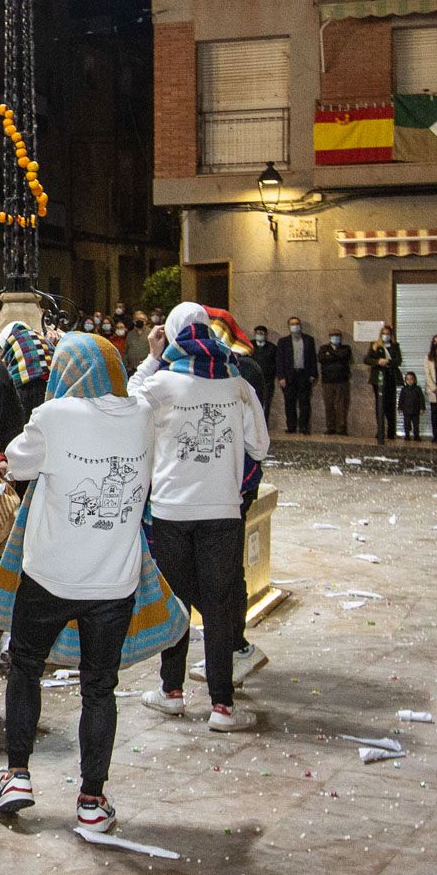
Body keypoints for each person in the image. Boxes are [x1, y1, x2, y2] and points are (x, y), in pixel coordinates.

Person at [0, 334, 154, 833]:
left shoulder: (55, 416)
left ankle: (17, 775)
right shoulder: (142, 416)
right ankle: (92, 800)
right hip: (113, 583)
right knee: (100, 689)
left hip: (49, 577)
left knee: (26, 668)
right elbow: (145, 386)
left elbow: (15, 464)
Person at [134, 302, 270, 732]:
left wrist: (154, 357)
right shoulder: (236, 382)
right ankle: (222, 706)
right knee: (217, 604)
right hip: (223, 511)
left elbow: (127, 405)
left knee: (176, 601)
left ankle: (171, 692)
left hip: (172, 510)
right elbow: (260, 446)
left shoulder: (163, 383)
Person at [366, 327, 402, 443]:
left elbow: (398, 361)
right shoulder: (375, 345)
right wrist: (377, 362)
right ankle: (380, 429)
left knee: (390, 404)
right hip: (378, 378)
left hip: (390, 377)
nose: (385, 336)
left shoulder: (395, 346)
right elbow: (367, 359)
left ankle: (391, 430)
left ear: (391, 335)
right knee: (379, 404)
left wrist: (388, 362)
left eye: (387, 334)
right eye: (383, 334)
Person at [317, 326, 353, 435]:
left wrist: (331, 355)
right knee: (329, 405)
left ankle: (341, 428)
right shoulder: (324, 348)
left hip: (341, 380)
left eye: (337, 336)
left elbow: (344, 356)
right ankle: (330, 427)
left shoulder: (346, 348)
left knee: (341, 405)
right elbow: (322, 359)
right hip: (327, 381)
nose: (335, 338)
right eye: (333, 336)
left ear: (340, 337)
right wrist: (335, 356)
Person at [249, 324, 278, 425]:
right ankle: (251, 425)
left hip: (267, 381)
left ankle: (263, 425)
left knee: (265, 404)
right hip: (251, 380)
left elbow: (276, 363)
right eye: (258, 333)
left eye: (262, 333)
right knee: (251, 403)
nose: (260, 335)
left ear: (266, 335)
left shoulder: (272, 348)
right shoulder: (249, 346)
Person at [400, 371, 426, 441]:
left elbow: (421, 399)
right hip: (406, 411)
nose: (409, 381)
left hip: (415, 411)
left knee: (416, 424)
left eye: (411, 379)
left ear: (414, 380)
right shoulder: (404, 389)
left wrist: (422, 408)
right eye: (407, 379)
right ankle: (407, 435)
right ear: (405, 380)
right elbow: (401, 399)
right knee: (406, 424)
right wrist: (400, 407)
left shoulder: (417, 389)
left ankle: (416, 436)